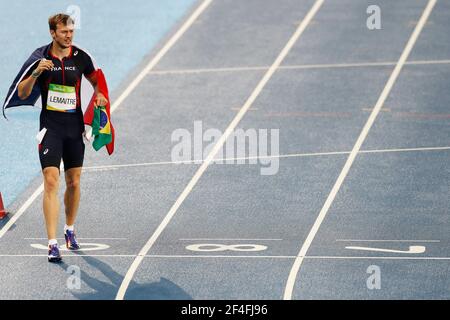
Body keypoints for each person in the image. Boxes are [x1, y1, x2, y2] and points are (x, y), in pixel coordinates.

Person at [16, 14, 107, 262]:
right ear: (52, 33)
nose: (69, 36)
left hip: (74, 128)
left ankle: (69, 229)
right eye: (64, 32)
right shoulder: (41, 57)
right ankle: (52, 243)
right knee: (51, 181)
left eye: (71, 31)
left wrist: (99, 96)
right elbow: (23, 94)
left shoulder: (81, 58)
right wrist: (35, 74)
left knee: (74, 182)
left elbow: (98, 82)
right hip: (51, 129)